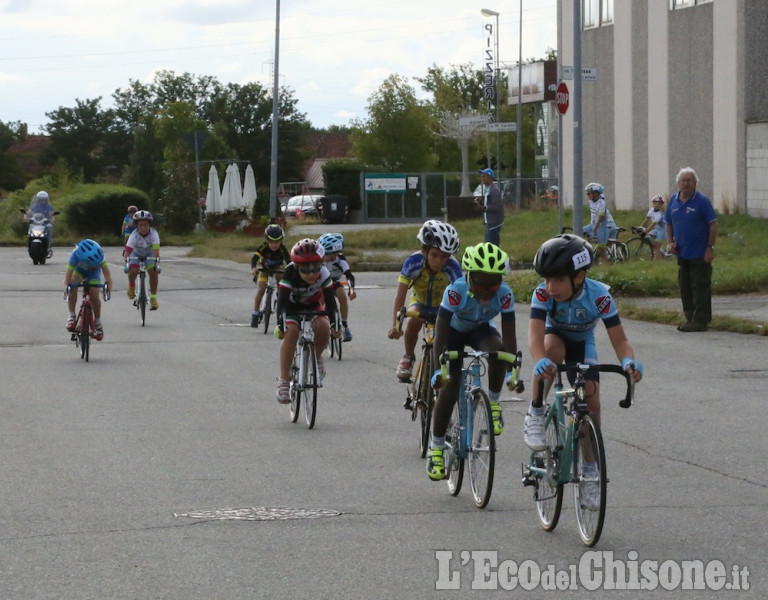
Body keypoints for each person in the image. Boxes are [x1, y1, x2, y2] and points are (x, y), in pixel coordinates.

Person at [522, 235, 643, 486]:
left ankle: (590, 470)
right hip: (554, 336)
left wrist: (629, 362)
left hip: (582, 342)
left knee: (591, 400)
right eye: (546, 279)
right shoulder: (543, 295)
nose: (550, 287)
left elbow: (620, 341)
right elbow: (535, 337)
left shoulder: (599, 296)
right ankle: (535, 410)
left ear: (579, 277)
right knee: (551, 352)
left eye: (558, 280)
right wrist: (540, 361)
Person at [426, 243, 517, 480]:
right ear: (468, 277)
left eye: (493, 284)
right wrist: (438, 370)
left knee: (497, 351)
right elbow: (440, 332)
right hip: (452, 333)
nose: (487, 291)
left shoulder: (505, 294)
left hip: (480, 330)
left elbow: (509, 337)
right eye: (480, 284)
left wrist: (511, 373)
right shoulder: (455, 292)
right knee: (449, 388)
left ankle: (494, 405)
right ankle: (436, 448)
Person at [387, 220, 462, 384]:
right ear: (424, 251)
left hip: (443, 305)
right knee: (413, 321)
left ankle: (441, 364)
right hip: (420, 301)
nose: (439, 261)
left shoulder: (453, 267)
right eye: (434, 255)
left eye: (444, 257)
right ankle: (408, 356)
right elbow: (400, 296)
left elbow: (462, 296)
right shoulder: (413, 262)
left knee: (443, 333)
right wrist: (396, 325)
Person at [275, 239, 338, 404]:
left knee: (323, 326)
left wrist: (335, 325)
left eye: (315, 268)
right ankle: (283, 379)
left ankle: (316, 356)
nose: (311, 273)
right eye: (305, 269)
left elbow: (331, 303)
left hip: (313, 305)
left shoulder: (324, 273)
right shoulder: (289, 273)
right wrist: (281, 325)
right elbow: (281, 302)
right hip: (291, 307)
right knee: (292, 332)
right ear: (296, 266)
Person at [664, 167, 718, 332]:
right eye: (683, 181)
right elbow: (668, 222)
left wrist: (710, 248)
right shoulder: (673, 200)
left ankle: (701, 320)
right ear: (678, 183)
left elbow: (713, 224)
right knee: (685, 287)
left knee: (700, 287)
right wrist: (670, 242)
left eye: (689, 181)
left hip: (700, 253)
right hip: (682, 253)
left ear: (695, 183)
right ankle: (690, 317)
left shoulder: (702, 201)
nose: (685, 183)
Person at [63, 239, 113, 341]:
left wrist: (108, 288)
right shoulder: (75, 255)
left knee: (94, 294)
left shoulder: (101, 256)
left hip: (93, 274)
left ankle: (98, 322)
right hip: (79, 271)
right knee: (73, 284)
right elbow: (68, 276)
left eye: (95, 264)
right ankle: (72, 315)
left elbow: (108, 277)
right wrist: (66, 286)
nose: (93, 265)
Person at [318, 232, 357, 342]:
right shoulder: (319, 260)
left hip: (334, 283)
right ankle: (321, 325)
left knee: (343, 297)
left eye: (333, 254)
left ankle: (345, 326)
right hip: (321, 285)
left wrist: (351, 289)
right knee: (320, 301)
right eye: (326, 254)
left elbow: (349, 275)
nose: (330, 257)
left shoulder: (340, 259)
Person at [250, 224, 291, 327]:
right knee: (261, 290)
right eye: (271, 242)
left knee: (281, 279)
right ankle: (255, 313)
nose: (274, 245)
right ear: (267, 241)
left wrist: (291, 271)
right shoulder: (263, 247)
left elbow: (289, 261)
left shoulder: (282, 249)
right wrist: (254, 268)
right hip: (265, 268)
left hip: (277, 267)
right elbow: (254, 258)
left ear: (281, 241)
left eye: (277, 242)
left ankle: (280, 296)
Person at [124, 210, 161, 310]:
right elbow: (127, 252)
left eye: (145, 225)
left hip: (149, 253)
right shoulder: (133, 235)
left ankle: (153, 298)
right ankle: (132, 286)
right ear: (136, 226)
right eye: (140, 225)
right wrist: (126, 262)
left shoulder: (154, 234)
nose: (143, 228)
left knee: (153, 272)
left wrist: (156, 262)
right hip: (135, 253)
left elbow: (156, 251)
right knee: (134, 271)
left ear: (150, 225)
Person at [582, 182, 617, 263]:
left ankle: (606, 266)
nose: (587, 195)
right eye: (587, 193)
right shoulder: (591, 202)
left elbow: (600, 219)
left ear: (596, 193)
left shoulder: (602, 203)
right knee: (578, 232)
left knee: (602, 248)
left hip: (606, 225)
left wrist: (593, 231)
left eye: (589, 193)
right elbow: (593, 217)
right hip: (595, 224)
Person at [472, 168, 504, 245]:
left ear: (489, 177)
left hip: (494, 224)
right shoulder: (488, 189)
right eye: (481, 176)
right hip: (489, 223)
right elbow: (489, 202)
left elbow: (497, 207)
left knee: (492, 247)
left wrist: (483, 208)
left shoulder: (494, 190)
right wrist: (480, 200)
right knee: (488, 245)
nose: (482, 178)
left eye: (483, 176)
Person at [636, 195, 667, 260]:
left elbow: (652, 225)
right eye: (655, 203)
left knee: (657, 247)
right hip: (657, 229)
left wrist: (644, 232)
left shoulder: (659, 214)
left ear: (661, 205)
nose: (656, 205)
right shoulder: (651, 210)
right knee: (648, 237)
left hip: (662, 230)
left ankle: (656, 262)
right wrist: (640, 228)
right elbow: (646, 220)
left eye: (658, 204)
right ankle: (660, 253)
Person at [26, 190, 55, 256]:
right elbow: (29, 212)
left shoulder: (49, 206)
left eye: (44, 200)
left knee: (50, 226)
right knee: (30, 226)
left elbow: (51, 215)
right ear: (38, 199)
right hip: (36, 223)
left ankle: (48, 244)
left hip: (45, 223)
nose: (42, 201)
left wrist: (52, 219)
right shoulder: (35, 206)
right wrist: (26, 217)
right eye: (41, 199)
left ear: (46, 200)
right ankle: (29, 242)